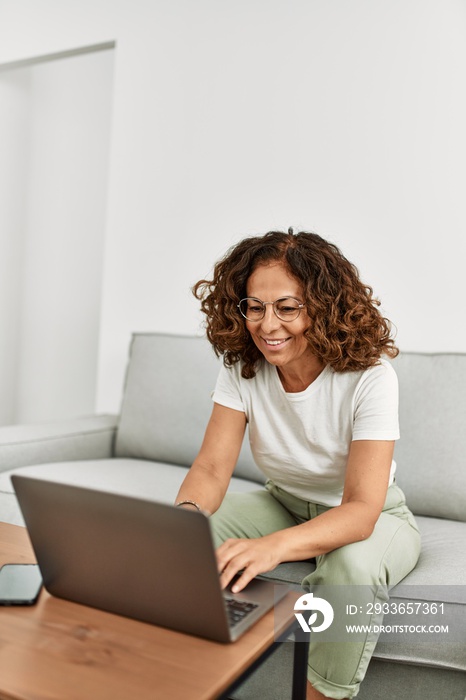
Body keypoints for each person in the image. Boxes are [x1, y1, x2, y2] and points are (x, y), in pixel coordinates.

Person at [175, 229, 421, 700]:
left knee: (350, 574)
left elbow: (362, 508)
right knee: (178, 539)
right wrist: (185, 517)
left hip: (372, 516)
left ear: (323, 307)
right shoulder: (242, 366)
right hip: (283, 502)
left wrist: (273, 548)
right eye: (255, 306)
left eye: (288, 308)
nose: (268, 325)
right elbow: (210, 470)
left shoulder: (370, 376)